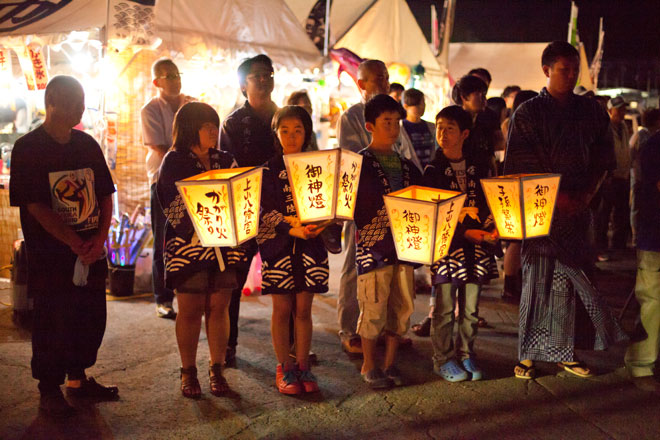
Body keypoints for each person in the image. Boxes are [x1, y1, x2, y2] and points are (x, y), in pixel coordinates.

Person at [504, 41, 627, 380]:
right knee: (537, 281)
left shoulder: (591, 111)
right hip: (541, 210)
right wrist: (558, 198)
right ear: (546, 70)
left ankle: (565, 352)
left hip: (580, 210)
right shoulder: (528, 113)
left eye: (574, 70)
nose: (571, 75)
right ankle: (527, 356)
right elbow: (518, 165)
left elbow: (605, 159)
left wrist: (586, 195)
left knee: (569, 286)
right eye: (564, 69)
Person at [10, 75, 118, 417]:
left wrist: (98, 238)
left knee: (90, 317)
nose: (80, 107)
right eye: (73, 100)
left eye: (82, 100)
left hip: (90, 249)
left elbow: (105, 194)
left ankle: (78, 378)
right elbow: (35, 206)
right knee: (52, 318)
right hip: (52, 255)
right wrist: (73, 241)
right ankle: (49, 387)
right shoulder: (28, 148)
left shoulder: (87, 145)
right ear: (51, 100)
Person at [158, 102, 242, 398]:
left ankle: (216, 368)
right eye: (205, 126)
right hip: (188, 246)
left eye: (213, 125)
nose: (212, 131)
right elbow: (169, 201)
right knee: (190, 309)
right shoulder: (174, 160)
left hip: (223, 245)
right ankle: (188, 370)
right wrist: (197, 224)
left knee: (219, 307)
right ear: (190, 129)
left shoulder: (226, 159)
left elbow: (241, 195)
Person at [423, 105, 499, 382]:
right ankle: (442, 359)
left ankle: (466, 353)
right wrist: (466, 232)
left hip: (476, 248)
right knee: (443, 309)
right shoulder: (432, 169)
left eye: (449, 128)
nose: (442, 133)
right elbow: (433, 212)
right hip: (447, 248)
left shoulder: (478, 166)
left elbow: (492, 201)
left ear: (465, 133)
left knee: (470, 309)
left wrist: (493, 227)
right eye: (439, 127)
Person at [257, 106, 328, 394]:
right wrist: (290, 227)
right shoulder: (268, 169)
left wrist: (322, 223)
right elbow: (262, 210)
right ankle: (284, 368)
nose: (291, 135)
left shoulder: (317, 166)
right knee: (282, 308)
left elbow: (329, 202)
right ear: (276, 133)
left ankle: (303, 366)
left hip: (310, 243)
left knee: (304, 309)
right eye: (284, 130)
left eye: (297, 130)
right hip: (278, 246)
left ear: (306, 133)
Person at [354, 94, 421, 389]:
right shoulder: (358, 164)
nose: (393, 128)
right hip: (374, 247)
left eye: (396, 122)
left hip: (404, 247)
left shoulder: (408, 167)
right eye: (386, 122)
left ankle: (390, 363)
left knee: (402, 306)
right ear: (370, 125)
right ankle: (369, 364)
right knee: (373, 305)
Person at [220, 54, 278, 365]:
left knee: (287, 281)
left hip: (281, 211)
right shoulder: (232, 123)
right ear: (244, 84)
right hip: (244, 210)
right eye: (257, 76)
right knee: (233, 281)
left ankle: (293, 346)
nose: (265, 79)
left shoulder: (286, 117)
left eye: (268, 74)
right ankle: (228, 345)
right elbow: (228, 169)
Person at [335, 59, 390, 356]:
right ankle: (349, 328)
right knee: (354, 266)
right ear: (361, 84)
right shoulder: (351, 117)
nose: (384, 82)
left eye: (385, 77)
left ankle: (377, 328)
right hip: (363, 202)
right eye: (377, 78)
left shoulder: (392, 114)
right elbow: (352, 159)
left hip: (392, 202)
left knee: (384, 268)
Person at [141, 58, 193, 319]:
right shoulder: (149, 109)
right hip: (161, 181)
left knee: (191, 237)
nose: (175, 79)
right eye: (169, 76)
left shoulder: (192, 104)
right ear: (157, 82)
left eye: (177, 74)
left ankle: (189, 293)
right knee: (164, 238)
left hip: (192, 181)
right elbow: (160, 147)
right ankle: (163, 298)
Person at [624, 130, 660, 394]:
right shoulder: (653, 146)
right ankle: (641, 363)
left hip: (652, 235)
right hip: (655, 236)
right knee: (652, 301)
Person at [500, 90, 538, 302]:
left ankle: (511, 284)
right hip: (519, 186)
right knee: (517, 239)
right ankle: (511, 285)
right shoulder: (518, 125)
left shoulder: (510, 124)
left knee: (517, 239)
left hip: (513, 185)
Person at [594, 96, 631, 261]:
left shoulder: (623, 127)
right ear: (610, 111)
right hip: (610, 177)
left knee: (621, 212)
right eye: (619, 109)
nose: (622, 112)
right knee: (604, 213)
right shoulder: (604, 127)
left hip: (622, 175)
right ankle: (601, 248)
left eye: (623, 109)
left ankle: (618, 244)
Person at [452, 75, 505, 177]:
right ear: (464, 97)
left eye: (484, 95)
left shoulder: (488, 118)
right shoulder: (453, 122)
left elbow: (491, 154)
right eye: (479, 95)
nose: (484, 100)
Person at [630, 108, 660, 244]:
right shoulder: (643, 136)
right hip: (640, 179)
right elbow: (630, 156)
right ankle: (637, 237)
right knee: (639, 208)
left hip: (643, 179)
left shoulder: (649, 136)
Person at [401, 88, 437, 169]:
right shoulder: (400, 128)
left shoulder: (432, 127)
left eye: (423, 103)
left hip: (429, 173)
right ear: (405, 106)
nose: (422, 106)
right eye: (417, 104)